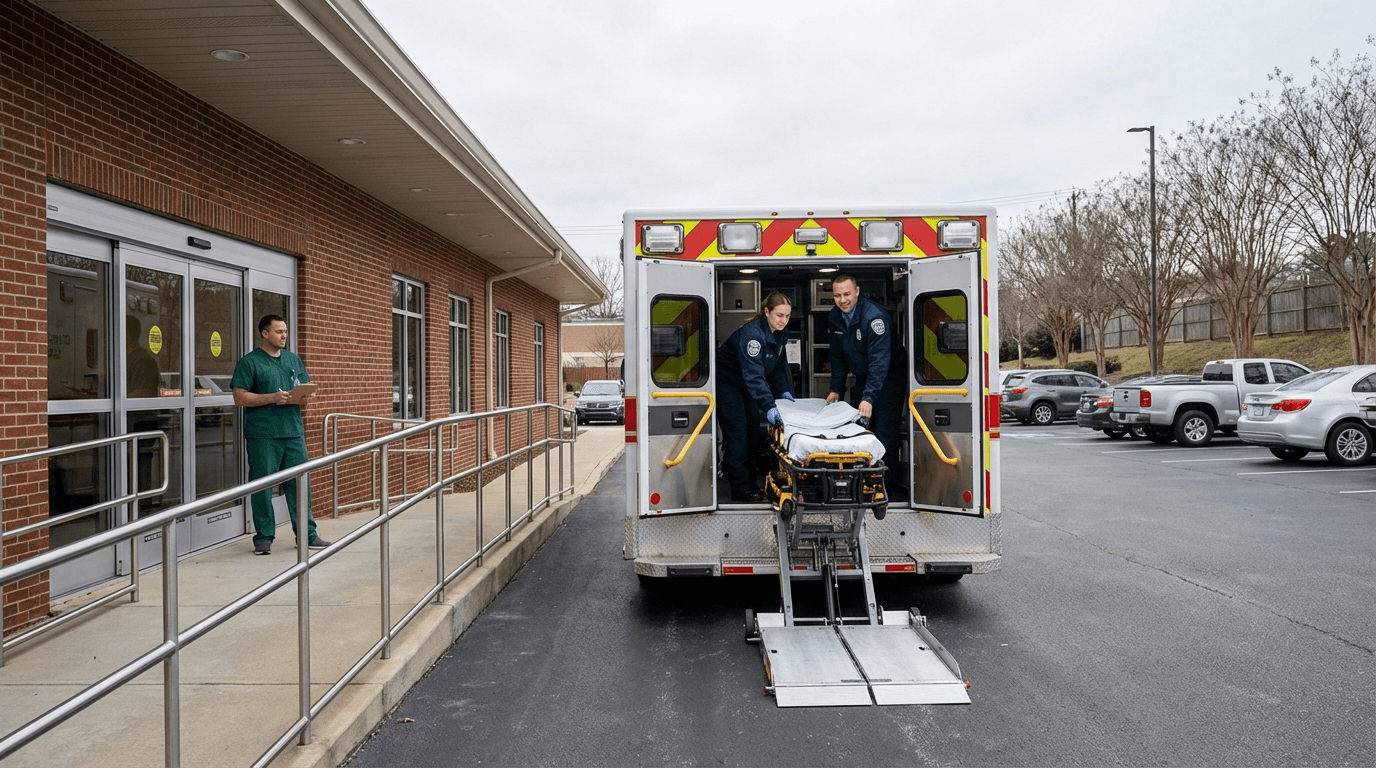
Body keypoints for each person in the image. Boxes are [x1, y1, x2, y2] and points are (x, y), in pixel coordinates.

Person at [231, 314, 330, 555]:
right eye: (279, 332)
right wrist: (272, 398)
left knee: (300, 485)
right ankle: (264, 537)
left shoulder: (292, 360)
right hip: (263, 435)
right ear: (265, 333)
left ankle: (307, 535)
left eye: (285, 331)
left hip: (293, 433)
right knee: (263, 486)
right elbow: (239, 397)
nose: (284, 335)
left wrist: (303, 396)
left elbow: (303, 395)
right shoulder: (250, 362)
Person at [715, 292, 794, 503]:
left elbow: (777, 367)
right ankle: (740, 489)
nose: (783, 320)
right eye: (779, 315)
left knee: (752, 432)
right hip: (728, 384)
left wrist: (784, 392)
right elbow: (754, 375)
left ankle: (749, 481)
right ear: (766, 312)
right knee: (738, 434)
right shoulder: (753, 335)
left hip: (745, 385)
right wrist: (768, 404)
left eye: (787, 316)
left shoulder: (780, 334)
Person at [825, 274, 906, 465]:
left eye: (847, 294)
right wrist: (836, 389)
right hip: (863, 376)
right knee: (857, 428)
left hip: (889, 376)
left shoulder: (874, 317)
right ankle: (862, 482)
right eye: (837, 296)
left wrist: (868, 398)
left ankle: (887, 485)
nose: (843, 300)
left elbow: (880, 362)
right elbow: (837, 357)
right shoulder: (834, 317)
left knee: (884, 432)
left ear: (857, 291)